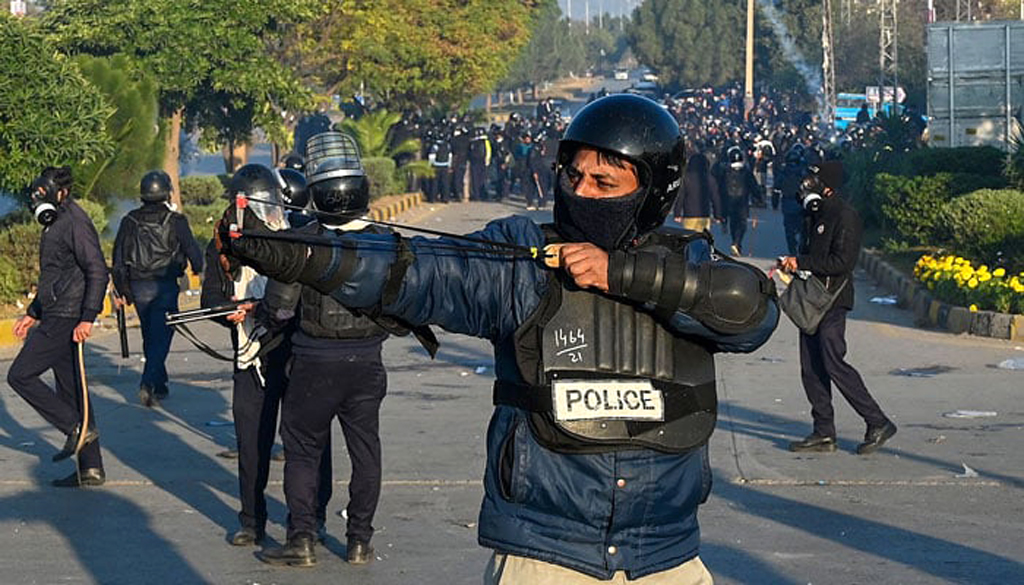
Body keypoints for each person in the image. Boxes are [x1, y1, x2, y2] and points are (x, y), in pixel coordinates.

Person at [220, 94, 779, 583]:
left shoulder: (693, 265)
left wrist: (618, 274)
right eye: (572, 176)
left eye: (604, 183)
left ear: (653, 192)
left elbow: (752, 311)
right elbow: (419, 273)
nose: (582, 192)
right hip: (543, 557)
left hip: (668, 559)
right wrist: (296, 254)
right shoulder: (521, 256)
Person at [256, 133, 392, 566]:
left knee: (302, 450)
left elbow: (278, 309)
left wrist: (259, 315)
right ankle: (359, 541)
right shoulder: (385, 243)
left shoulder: (302, 243)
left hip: (314, 361)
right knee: (366, 452)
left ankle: (302, 539)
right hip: (367, 361)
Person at [201, 164, 294, 545]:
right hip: (249, 358)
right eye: (256, 206)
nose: (265, 214)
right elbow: (210, 298)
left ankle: (307, 522)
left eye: (269, 204)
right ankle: (251, 520)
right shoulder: (222, 245)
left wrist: (267, 307)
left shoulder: (291, 239)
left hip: (291, 354)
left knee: (303, 445)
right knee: (250, 445)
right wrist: (229, 311)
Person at [778, 161, 897, 455]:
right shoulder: (815, 214)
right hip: (811, 300)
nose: (807, 185)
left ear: (828, 186)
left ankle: (877, 421)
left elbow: (842, 263)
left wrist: (802, 262)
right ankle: (823, 431)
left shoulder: (846, 216)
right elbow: (811, 253)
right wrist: (794, 262)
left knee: (834, 363)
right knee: (811, 368)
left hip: (832, 302)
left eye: (813, 181)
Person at [8, 166, 109, 487]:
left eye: (44, 194)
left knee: (20, 375)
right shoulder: (56, 223)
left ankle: (72, 427)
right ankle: (90, 468)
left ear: (61, 194)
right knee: (72, 390)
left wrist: (87, 317)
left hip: (67, 316)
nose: (39, 200)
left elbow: (98, 270)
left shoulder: (75, 223)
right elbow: (54, 274)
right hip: (54, 313)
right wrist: (33, 312)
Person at [112, 170, 203, 407]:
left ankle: (159, 382)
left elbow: (118, 259)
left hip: (139, 287)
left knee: (150, 335)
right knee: (161, 337)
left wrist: (122, 290)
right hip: (165, 286)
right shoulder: (177, 221)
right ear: (167, 192)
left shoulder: (129, 221)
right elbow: (194, 251)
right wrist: (198, 269)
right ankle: (147, 382)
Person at [716, 146, 757, 256]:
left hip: (729, 201)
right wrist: (758, 197)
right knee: (742, 224)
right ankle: (737, 242)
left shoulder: (725, 171)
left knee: (733, 223)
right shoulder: (746, 171)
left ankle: (735, 241)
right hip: (742, 201)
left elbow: (720, 186)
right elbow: (753, 185)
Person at [673, 151, 718, 232]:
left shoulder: (686, 178)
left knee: (690, 239)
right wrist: (717, 215)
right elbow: (715, 197)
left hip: (689, 215)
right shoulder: (710, 178)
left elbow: (680, 197)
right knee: (703, 238)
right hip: (704, 215)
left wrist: (677, 213)